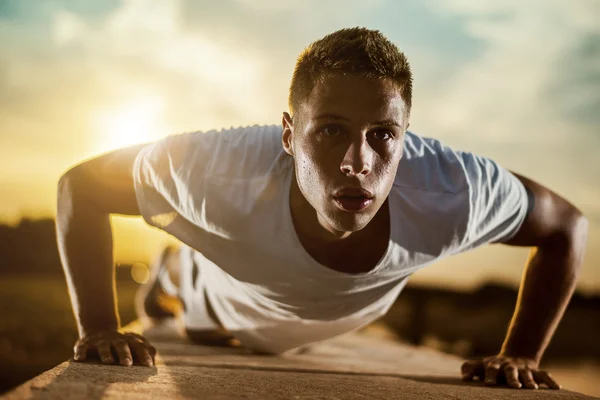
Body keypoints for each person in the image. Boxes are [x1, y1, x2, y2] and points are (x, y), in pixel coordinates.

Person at [56, 27, 588, 390]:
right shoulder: (213, 169)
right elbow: (81, 185)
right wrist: (99, 325)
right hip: (221, 294)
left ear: (406, 136)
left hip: (338, 314)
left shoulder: (452, 189)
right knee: (190, 308)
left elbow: (567, 226)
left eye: (382, 135)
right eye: (331, 130)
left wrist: (521, 353)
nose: (358, 162)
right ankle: (171, 270)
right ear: (289, 135)